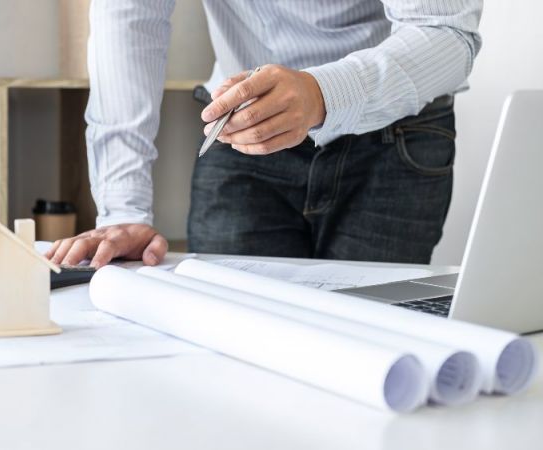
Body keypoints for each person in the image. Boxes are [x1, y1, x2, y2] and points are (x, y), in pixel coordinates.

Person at [46, 0, 483, 268]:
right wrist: (123, 210)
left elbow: (445, 31)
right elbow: (128, 19)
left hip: (396, 136)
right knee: (228, 359)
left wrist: (322, 94)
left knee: (375, 354)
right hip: (242, 133)